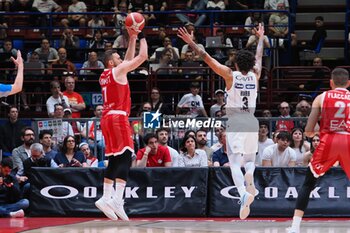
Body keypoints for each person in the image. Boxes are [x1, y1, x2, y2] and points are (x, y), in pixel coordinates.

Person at [178, 23, 265, 219]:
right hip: (252, 120)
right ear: (251, 65)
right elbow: (259, 56)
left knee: (234, 162)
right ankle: (250, 174)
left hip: (235, 121)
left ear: (235, 64)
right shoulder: (255, 75)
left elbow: (206, 57)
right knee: (250, 160)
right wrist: (260, 38)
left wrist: (191, 42)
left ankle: (243, 193)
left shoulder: (229, 75)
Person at [94, 25, 148, 221]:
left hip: (107, 118)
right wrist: (141, 35)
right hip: (118, 117)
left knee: (115, 159)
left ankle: (106, 197)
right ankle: (117, 199)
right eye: (117, 58)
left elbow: (127, 60)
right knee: (126, 156)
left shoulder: (104, 75)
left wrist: (131, 38)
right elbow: (141, 57)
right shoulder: (118, 71)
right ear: (111, 62)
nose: (121, 59)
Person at [287, 68, 350, 233]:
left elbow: (308, 130)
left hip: (329, 140)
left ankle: (295, 227)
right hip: (348, 140)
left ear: (331, 83)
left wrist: (320, 129)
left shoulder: (322, 97)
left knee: (308, 183)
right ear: (348, 84)